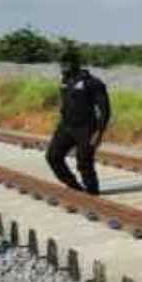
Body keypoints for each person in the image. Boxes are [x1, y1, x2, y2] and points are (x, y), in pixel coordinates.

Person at [45, 47, 110, 195]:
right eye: (61, 64)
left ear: (75, 63)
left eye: (65, 64)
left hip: (86, 128)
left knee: (84, 163)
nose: (62, 67)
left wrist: (98, 133)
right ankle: (75, 188)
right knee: (53, 157)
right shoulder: (65, 81)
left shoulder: (93, 83)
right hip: (66, 127)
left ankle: (93, 193)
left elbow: (105, 111)